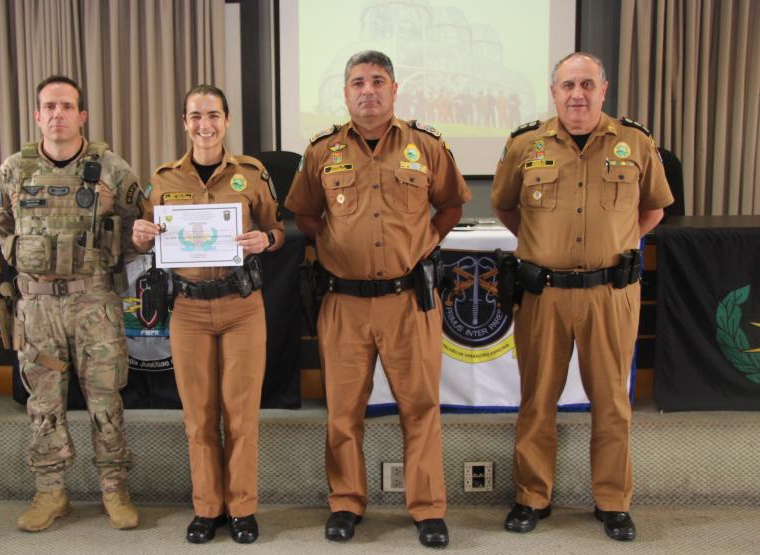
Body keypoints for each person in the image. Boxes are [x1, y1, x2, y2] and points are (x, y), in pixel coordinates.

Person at [284, 50, 471, 549]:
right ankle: (346, 503)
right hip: (343, 302)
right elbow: (305, 214)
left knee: (421, 407)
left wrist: (423, 243)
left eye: (378, 81)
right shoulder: (321, 151)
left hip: (408, 301)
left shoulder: (425, 146)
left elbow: (451, 204)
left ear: (394, 89)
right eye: (358, 82)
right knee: (343, 412)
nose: (368, 90)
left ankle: (428, 509)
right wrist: (333, 243)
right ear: (346, 92)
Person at [491, 52, 673, 542]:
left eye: (587, 84)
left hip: (609, 294)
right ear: (554, 92)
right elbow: (506, 207)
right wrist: (541, 247)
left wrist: (618, 242)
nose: (577, 94)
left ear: (603, 89)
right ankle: (532, 496)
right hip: (543, 295)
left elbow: (654, 209)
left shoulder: (635, 142)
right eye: (568, 85)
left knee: (611, 402)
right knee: (537, 400)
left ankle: (612, 501)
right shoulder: (525, 144)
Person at [132, 84, 284, 545]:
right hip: (189, 310)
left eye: (213, 115)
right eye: (196, 116)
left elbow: (277, 229)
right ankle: (207, 508)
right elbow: (144, 235)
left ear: (227, 120)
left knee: (241, 416)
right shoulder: (163, 180)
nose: (205, 125)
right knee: (199, 417)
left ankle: (242, 508)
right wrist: (140, 235)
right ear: (184, 123)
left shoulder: (251, 174)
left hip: (241, 308)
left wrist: (266, 240)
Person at [0, 75, 141, 532]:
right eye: (50, 107)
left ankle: (114, 489)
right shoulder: (13, 170)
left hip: (94, 302)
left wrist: (107, 262)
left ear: (82, 116)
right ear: (38, 116)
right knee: (43, 402)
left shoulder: (112, 168)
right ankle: (50, 492)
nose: (58, 114)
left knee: (105, 397)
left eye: (67, 106)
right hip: (37, 308)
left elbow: (137, 225)